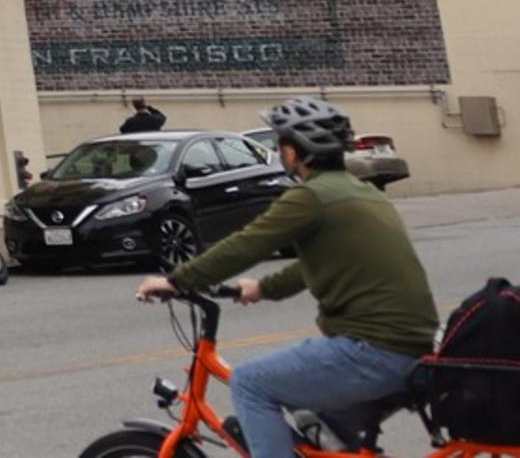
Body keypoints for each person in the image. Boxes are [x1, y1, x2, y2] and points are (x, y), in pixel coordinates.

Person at [140, 96, 437, 458]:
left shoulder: (311, 197)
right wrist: (263, 288)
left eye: (280, 142)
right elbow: (323, 262)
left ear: (295, 152)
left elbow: (247, 244)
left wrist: (177, 280)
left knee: (250, 384)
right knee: (317, 423)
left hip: (372, 351)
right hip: (413, 348)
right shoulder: (363, 194)